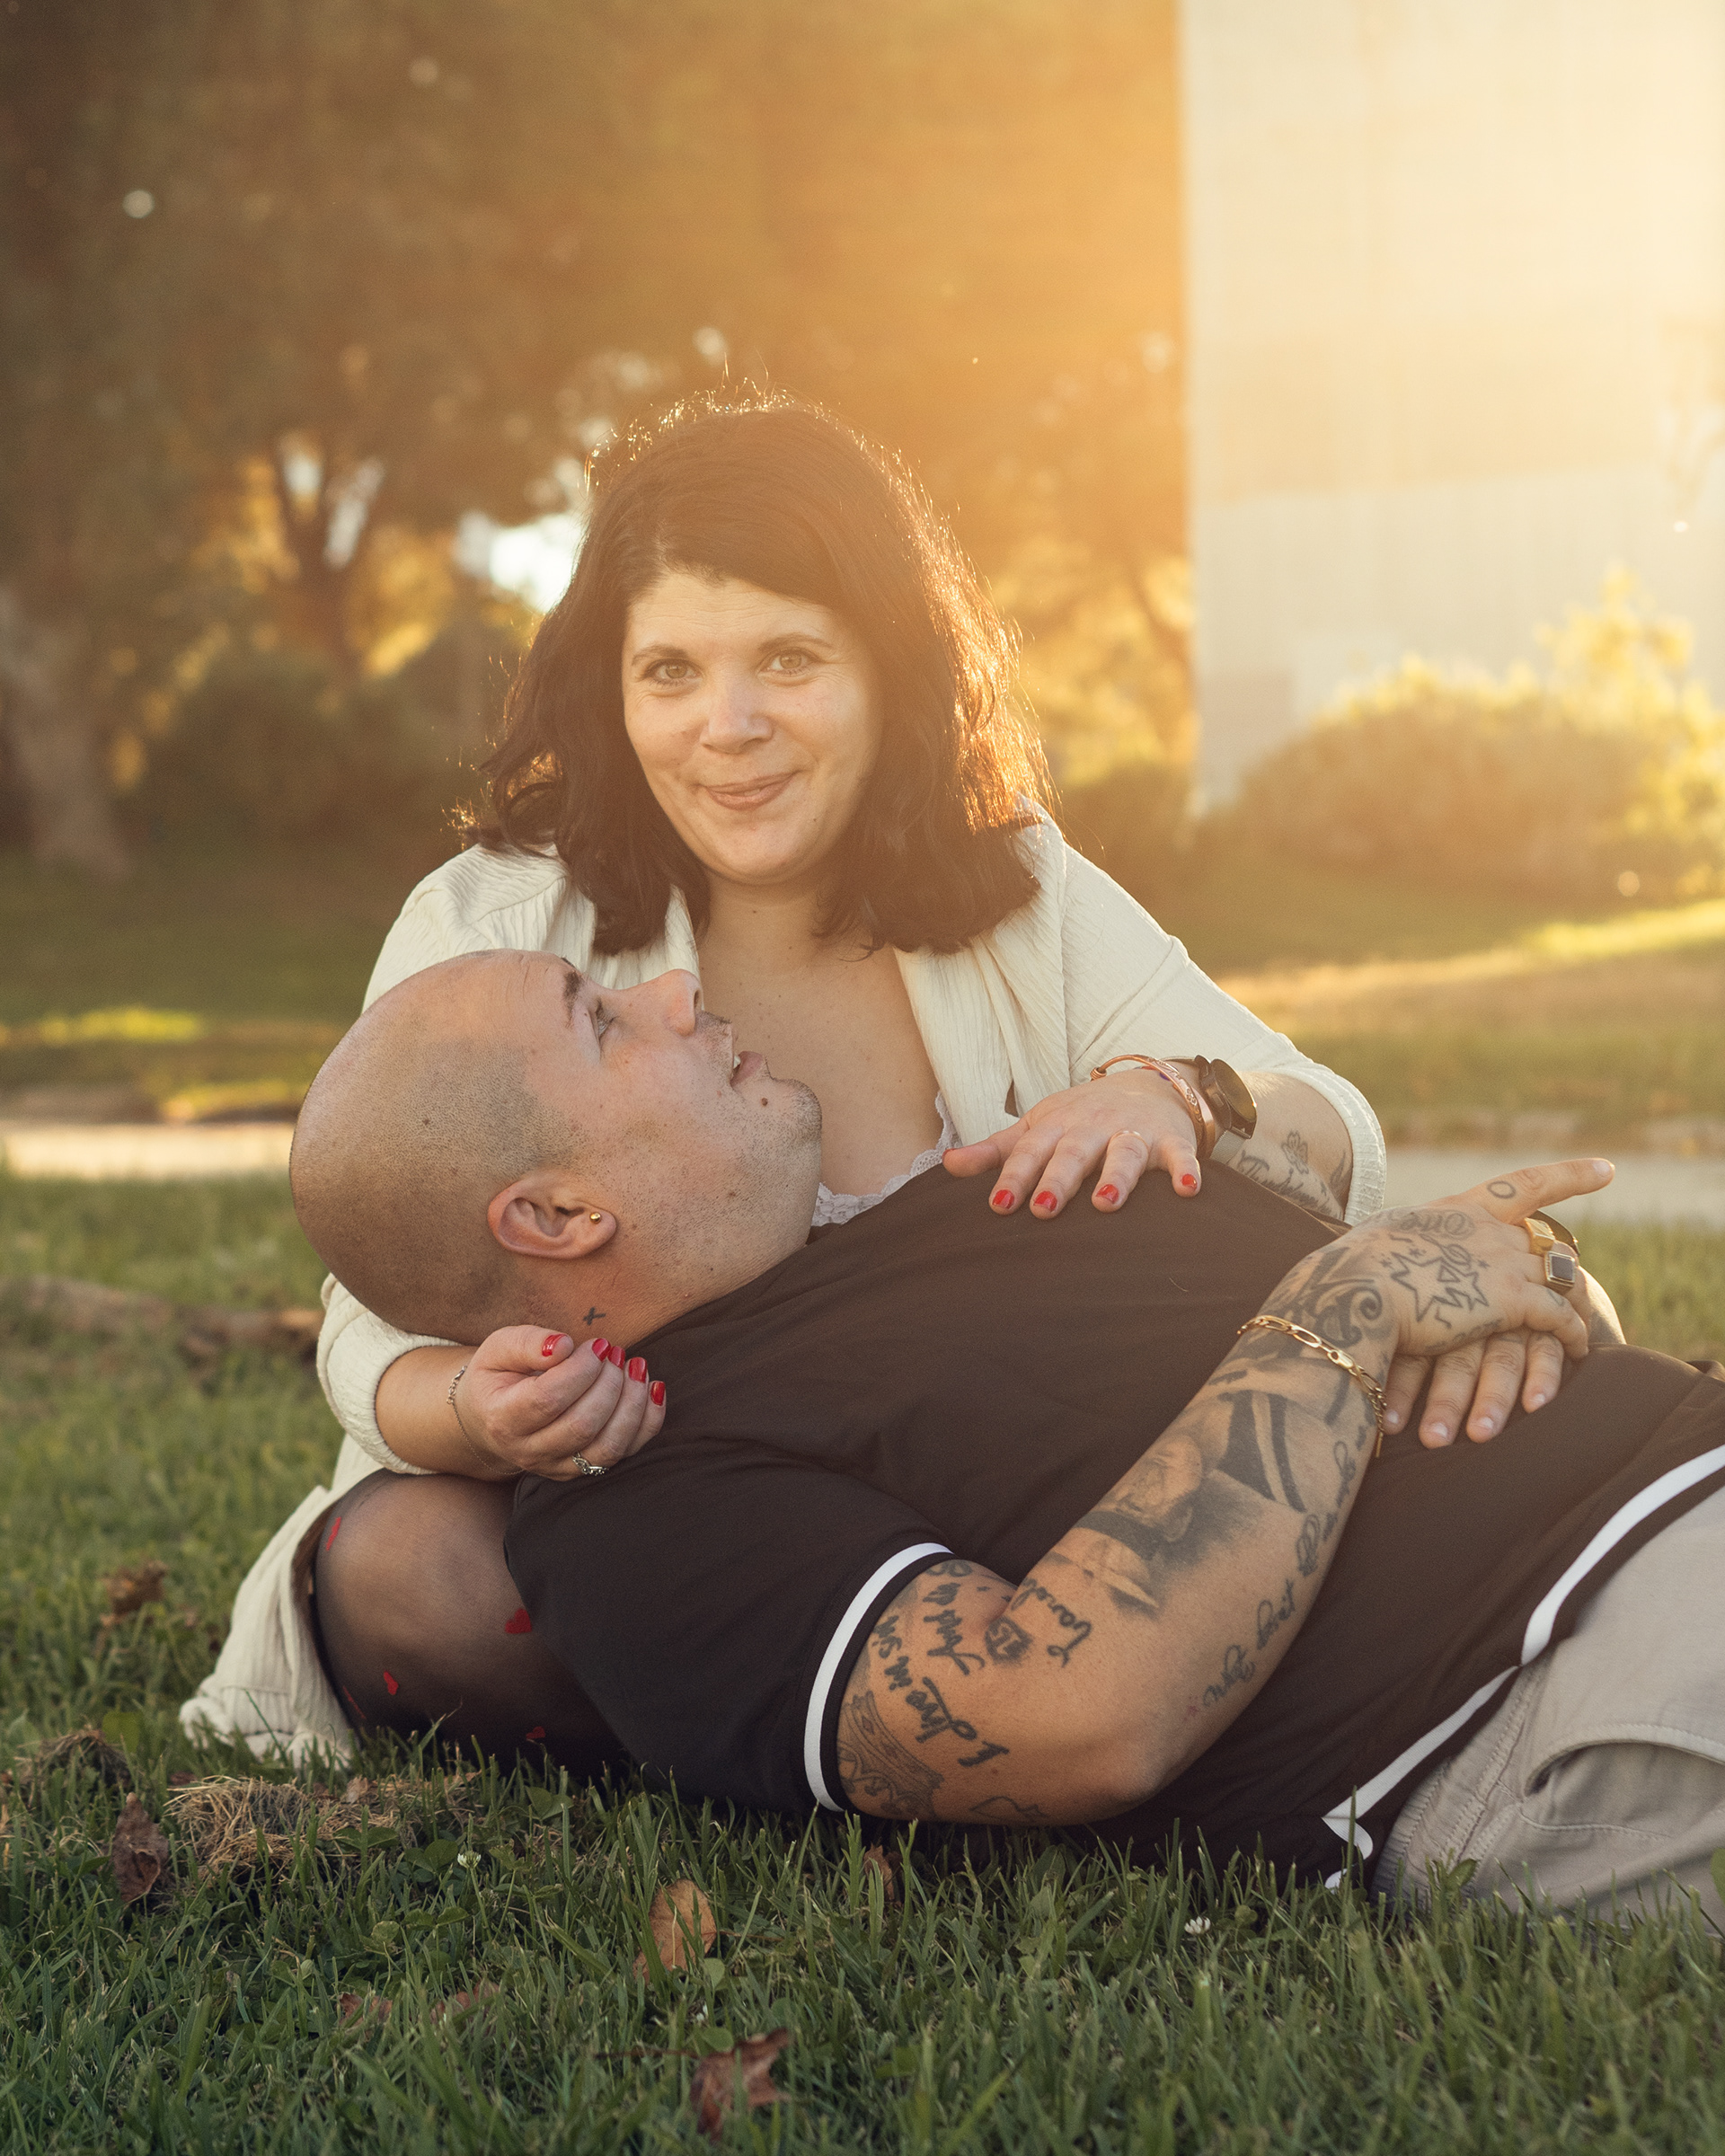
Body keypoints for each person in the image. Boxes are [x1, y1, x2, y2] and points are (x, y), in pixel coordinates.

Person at [184, 393, 1455, 1764]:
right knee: (420, 1570)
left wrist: (1181, 1091)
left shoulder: (1017, 891)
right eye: (670, 672)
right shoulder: (496, 920)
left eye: (789, 659)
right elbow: (371, 1296)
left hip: (966, 1489)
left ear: (891, 670)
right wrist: (478, 1414)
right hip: (642, 1521)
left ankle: (944, 1701)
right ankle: (812, 1724)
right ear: (613, 691)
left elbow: (1331, 1127)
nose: (726, 726)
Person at [290, 953, 1725, 1921]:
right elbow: (1072, 1718)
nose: (674, 989)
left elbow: (1461, 1275)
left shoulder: (995, 1179)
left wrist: (1530, 1292)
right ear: (557, 1217)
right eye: (602, 1020)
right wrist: (1348, 1310)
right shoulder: (642, 1509)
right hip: (1563, 1662)